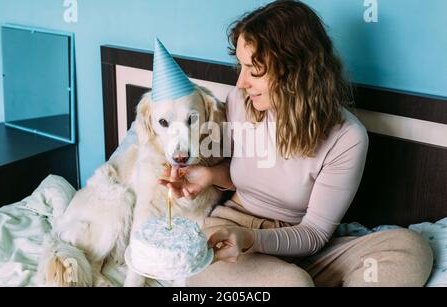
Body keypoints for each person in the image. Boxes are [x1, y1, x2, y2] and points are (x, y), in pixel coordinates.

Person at [158, 0, 433, 287]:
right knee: (292, 283)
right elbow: (245, 172)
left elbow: (313, 234)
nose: (241, 82)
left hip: (303, 246)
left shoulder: (347, 137)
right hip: (229, 236)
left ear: (295, 71)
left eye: (253, 70)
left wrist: (256, 240)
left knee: (410, 249)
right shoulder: (240, 102)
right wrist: (209, 175)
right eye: (240, 66)